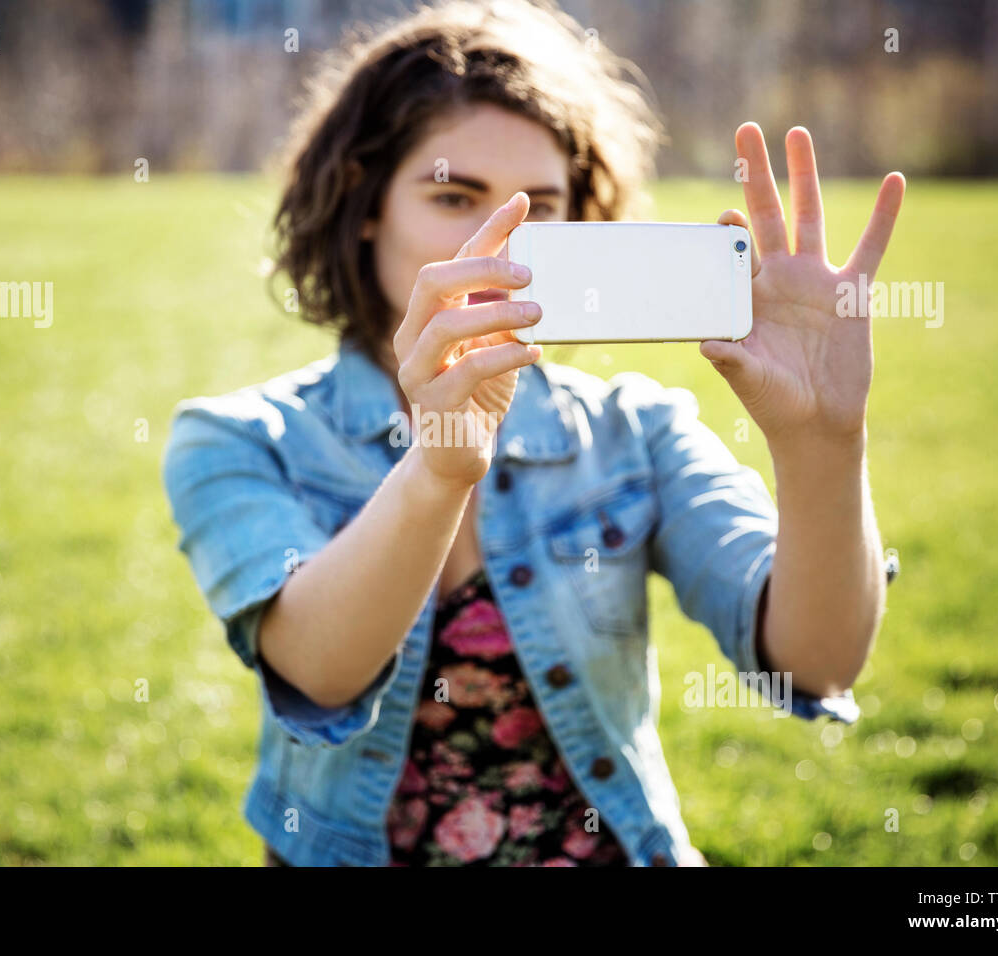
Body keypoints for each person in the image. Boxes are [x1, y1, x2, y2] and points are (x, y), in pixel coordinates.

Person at [162, 0, 904, 867]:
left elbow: (816, 662)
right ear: (366, 204)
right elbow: (319, 670)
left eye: (539, 208)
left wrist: (824, 442)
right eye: (453, 196)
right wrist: (436, 473)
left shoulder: (635, 430)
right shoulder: (237, 440)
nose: (499, 242)